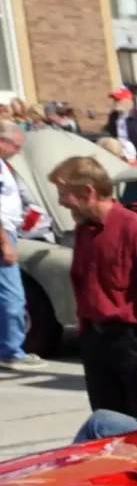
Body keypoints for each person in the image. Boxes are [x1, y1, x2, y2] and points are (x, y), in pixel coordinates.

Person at [51, 156, 137, 424]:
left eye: (63, 194)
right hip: (97, 344)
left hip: (134, 344)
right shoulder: (84, 230)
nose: (61, 201)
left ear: (88, 192)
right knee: (109, 423)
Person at [0, 122, 31, 363]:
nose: (18, 151)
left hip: (10, 231)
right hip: (3, 234)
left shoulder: (4, 166)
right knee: (13, 297)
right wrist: (5, 243)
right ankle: (12, 351)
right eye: (16, 146)